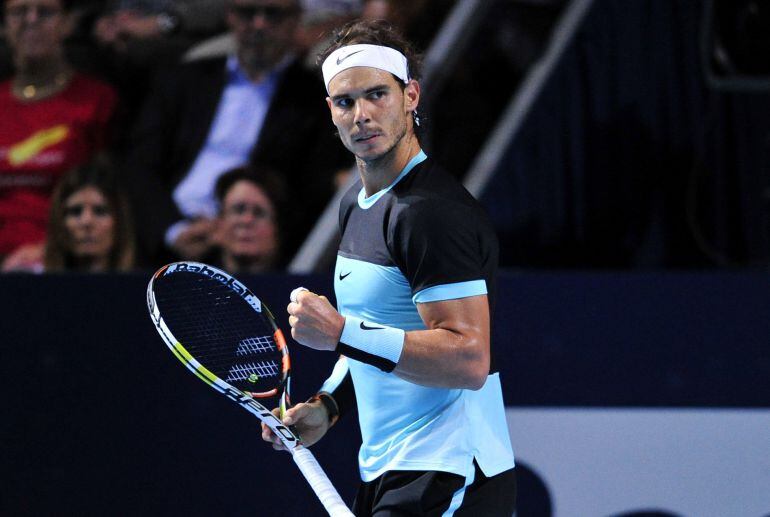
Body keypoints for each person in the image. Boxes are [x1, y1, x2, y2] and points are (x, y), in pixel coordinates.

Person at [262, 20, 516, 515]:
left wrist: (340, 332)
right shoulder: (356, 206)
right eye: (345, 102)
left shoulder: (430, 213)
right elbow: (388, 335)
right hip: (392, 471)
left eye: (377, 94)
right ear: (330, 113)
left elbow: (468, 360)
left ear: (411, 96)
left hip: (452, 473)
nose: (362, 115)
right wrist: (328, 405)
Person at [123, 0, 352, 268]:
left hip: (253, 242)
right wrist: (173, 230)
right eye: (247, 13)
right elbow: (140, 164)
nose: (259, 24)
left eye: (273, 14)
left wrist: (234, 227)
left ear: (296, 19)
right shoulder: (183, 80)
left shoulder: (314, 100)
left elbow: (310, 186)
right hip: (167, 232)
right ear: (230, 16)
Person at [0, 0, 118, 266]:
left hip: (67, 259)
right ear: (5, 25)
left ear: (67, 23)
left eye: (45, 11)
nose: (31, 20)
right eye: (19, 11)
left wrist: (50, 252)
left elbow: (107, 194)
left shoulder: (96, 100)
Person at [2, 157, 136, 272]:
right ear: (59, 221)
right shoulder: (28, 279)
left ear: (120, 221)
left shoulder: (146, 287)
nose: (86, 222)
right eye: (75, 211)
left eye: (100, 211)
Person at [211, 165, 284, 273]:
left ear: (276, 228)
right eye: (238, 210)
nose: (247, 220)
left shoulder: (301, 288)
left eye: (259, 213)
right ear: (219, 222)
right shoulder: (191, 284)